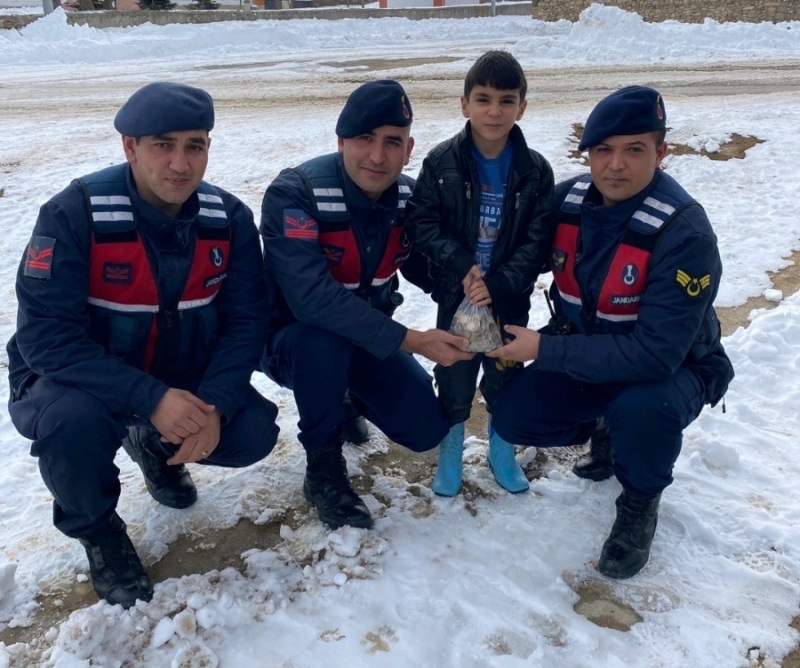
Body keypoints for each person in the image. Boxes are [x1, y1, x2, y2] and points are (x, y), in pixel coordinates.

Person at [7, 82, 280, 607]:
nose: (180, 163)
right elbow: (46, 337)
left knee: (252, 432)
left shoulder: (228, 220)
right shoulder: (74, 214)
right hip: (82, 384)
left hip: (179, 371)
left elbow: (248, 322)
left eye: (195, 145)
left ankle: (156, 449)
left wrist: (217, 403)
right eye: (163, 144)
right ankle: (100, 532)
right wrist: (151, 399)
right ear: (130, 147)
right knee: (71, 427)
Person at [486, 86, 734, 579]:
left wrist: (546, 348)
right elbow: (516, 259)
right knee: (511, 412)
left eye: (634, 150)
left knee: (643, 408)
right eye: (603, 150)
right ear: (588, 152)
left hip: (671, 371)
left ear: (660, 153)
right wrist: (474, 283)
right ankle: (606, 429)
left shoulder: (684, 233)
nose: (615, 165)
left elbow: (655, 356)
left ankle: (639, 504)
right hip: (589, 351)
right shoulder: (569, 202)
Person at [259, 80, 473, 531]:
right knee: (321, 341)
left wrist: (475, 295)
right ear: (341, 142)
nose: (378, 156)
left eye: (392, 142)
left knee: (425, 431)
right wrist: (413, 341)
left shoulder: (409, 200)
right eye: (364, 139)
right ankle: (323, 472)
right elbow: (311, 299)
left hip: (364, 338)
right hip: (292, 341)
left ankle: (345, 397)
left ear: (409, 149)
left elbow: (426, 268)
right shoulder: (296, 194)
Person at [404, 50, 555, 497]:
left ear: (522, 108)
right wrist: (462, 266)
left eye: (506, 101)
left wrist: (500, 283)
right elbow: (422, 223)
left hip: (507, 298)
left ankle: (501, 448)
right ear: (464, 103)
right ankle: (450, 450)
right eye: (483, 99)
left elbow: (538, 242)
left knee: (504, 373)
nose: (494, 111)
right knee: (454, 374)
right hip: (456, 293)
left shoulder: (535, 171)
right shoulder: (442, 162)